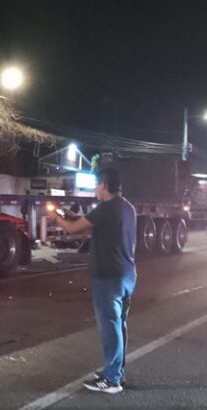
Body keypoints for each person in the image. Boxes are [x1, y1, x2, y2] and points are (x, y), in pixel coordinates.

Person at [46, 167, 137, 394]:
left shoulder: (105, 209)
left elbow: (72, 229)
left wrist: (55, 217)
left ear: (105, 185)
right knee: (119, 325)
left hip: (108, 277)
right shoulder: (127, 208)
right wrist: (69, 215)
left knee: (110, 327)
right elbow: (89, 223)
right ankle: (116, 372)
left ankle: (111, 379)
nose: (95, 189)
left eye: (97, 185)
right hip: (127, 274)